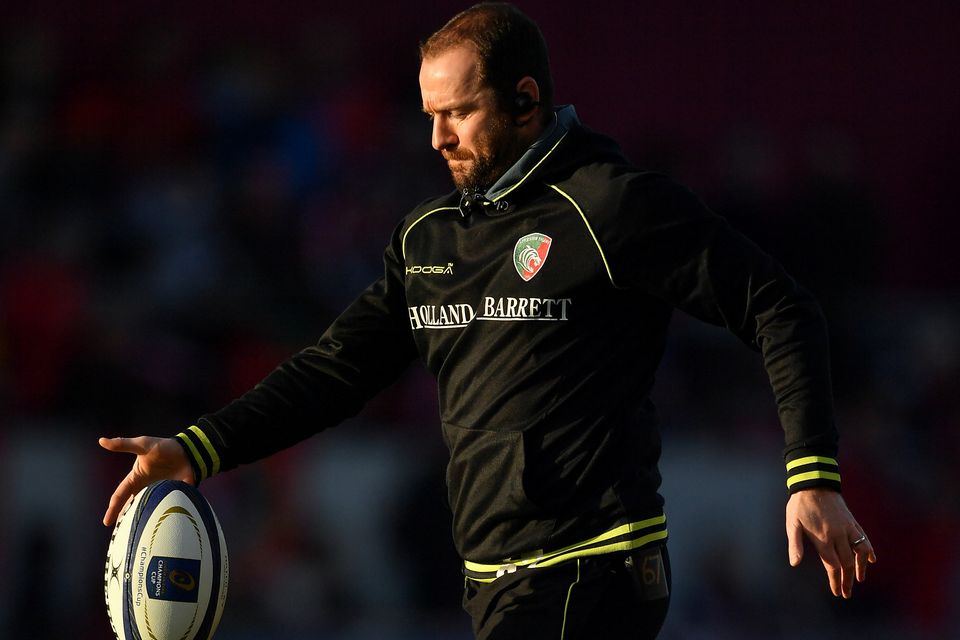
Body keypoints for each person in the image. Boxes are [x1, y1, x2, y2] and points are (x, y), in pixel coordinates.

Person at [100, 3, 877, 638]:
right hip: (490, 585)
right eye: (430, 115)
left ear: (526, 100)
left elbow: (779, 304)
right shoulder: (429, 237)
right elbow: (335, 371)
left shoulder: (611, 202)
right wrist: (199, 448)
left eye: (460, 113)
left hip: (595, 569)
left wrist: (813, 475)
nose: (438, 137)